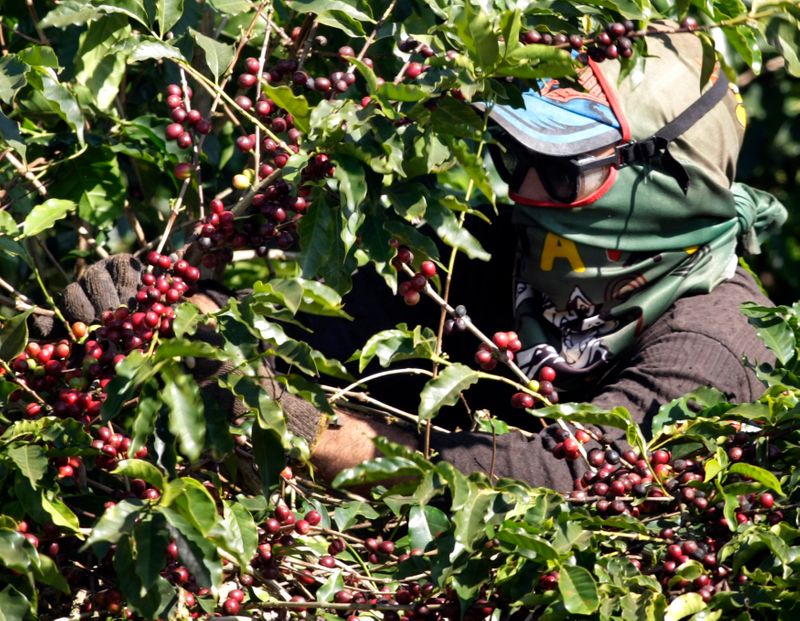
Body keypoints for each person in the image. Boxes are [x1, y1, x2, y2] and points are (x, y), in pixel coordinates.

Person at [56, 25, 786, 492]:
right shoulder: (497, 239)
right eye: (511, 153)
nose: (518, 187)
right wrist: (195, 314)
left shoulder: (715, 344)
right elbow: (339, 311)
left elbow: (567, 478)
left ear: (665, 183)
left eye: (562, 172)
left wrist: (332, 442)